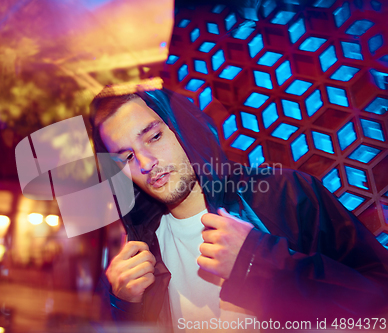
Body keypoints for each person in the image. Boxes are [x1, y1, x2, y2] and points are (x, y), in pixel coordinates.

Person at [90, 85, 388, 332]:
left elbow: (379, 303)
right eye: (127, 157)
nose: (145, 163)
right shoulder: (143, 253)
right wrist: (122, 306)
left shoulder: (283, 194)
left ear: (183, 129)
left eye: (154, 137)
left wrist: (260, 262)